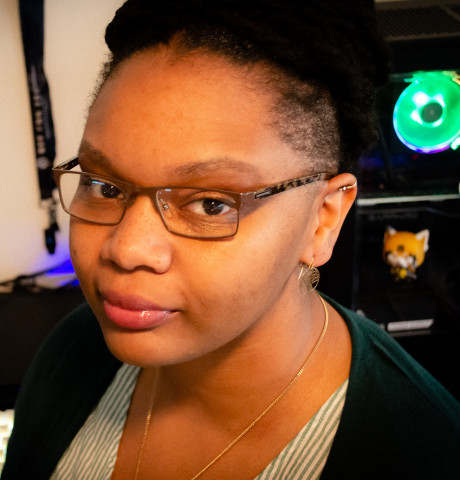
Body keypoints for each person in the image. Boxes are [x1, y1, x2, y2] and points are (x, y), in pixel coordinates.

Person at [2, 1, 460, 479]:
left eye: (210, 204)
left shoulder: (422, 453)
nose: (126, 249)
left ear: (322, 220)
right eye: (105, 186)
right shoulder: (74, 349)